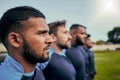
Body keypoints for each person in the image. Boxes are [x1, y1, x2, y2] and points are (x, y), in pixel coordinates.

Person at [0, 6, 52, 80]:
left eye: (48, 33)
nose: (50, 40)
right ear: (15, 40)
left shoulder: (33, 66)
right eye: (41, 33)